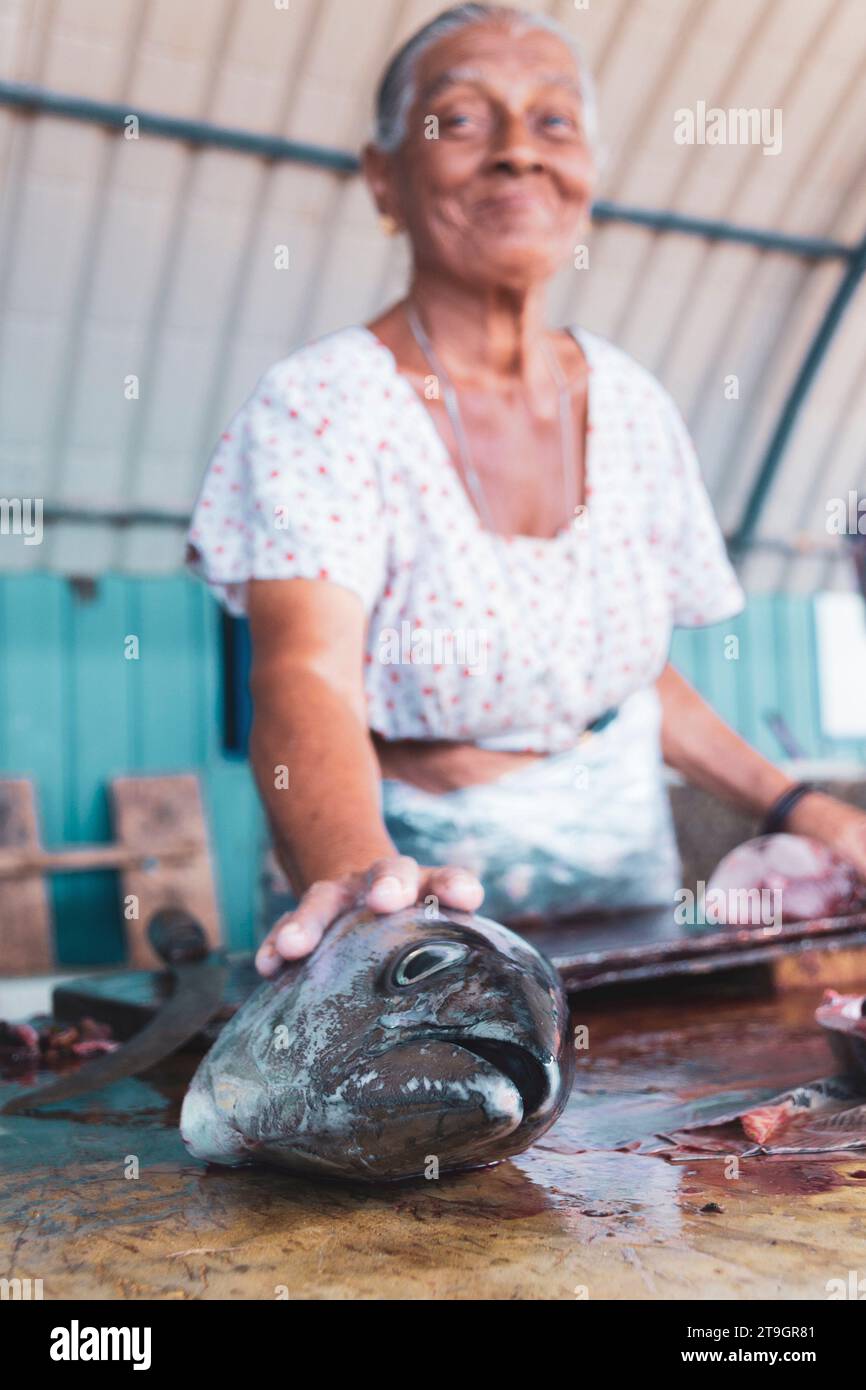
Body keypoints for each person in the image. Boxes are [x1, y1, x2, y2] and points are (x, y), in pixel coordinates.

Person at [187, 3, 866, 976]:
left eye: (552, 122)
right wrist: (361, 873)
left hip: (622, 877)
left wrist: (806, 809)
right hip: (409, 864)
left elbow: (629, 673)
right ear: (384, 177)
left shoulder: (630, 403)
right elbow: (304, 672)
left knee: (653, 1099)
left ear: (585, 175)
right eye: (460, 119)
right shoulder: (317, 405)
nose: (517, 154)